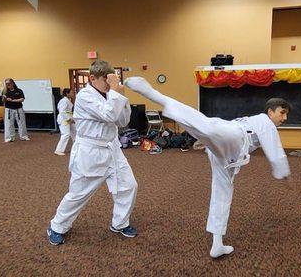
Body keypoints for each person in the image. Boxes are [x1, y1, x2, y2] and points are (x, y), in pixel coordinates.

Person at [124, 77, 291, 258]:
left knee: (222, 191)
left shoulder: (252, 120)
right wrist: (284, 174)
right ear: (270, 112)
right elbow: (275, 150)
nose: (284, 117)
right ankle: (152, 94)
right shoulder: (265, 121)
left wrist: (208, 142)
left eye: (286, 114)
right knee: (206, 125)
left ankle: (217, 244)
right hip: (234, 138)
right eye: (282, 113)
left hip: (226, 149)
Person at [47, 60, 139, 245]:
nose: (109, 84)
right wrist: (115, 92)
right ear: (92, 78)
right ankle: (57, 226)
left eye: (111, 80)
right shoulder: (84, 96)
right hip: (90, 151)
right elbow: (109, 115)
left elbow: (121, 121)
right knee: (79, 193)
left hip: (112, 148)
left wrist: (120, 95)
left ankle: (120, 223)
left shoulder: (110, 94)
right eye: (106, 80)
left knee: (128, 186)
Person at [2, 78, 30, 142]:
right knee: (9, 124)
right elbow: (3, 101)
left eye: (9, 83)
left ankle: (23, 136)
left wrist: (13, 100)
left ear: (13, 83)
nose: (7, 85)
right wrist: (4, 98)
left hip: (18, 109)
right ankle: (9, 138)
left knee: (21, 123)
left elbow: (22, 99)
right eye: (6, 84)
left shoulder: (19, 90)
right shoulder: (5, 91)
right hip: (9, 109)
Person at [54, 88, 76, 156]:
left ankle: (77, 147)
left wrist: (71, 118)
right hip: (64, 119)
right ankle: (58, 150)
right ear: (67, 93)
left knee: (75, 132)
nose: (73, 94)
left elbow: (67, 112)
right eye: (71, 93)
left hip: (68, 118)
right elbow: (62, 111)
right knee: (66, 134)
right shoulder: (63, 101)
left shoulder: (67, 100)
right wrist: (69, 119)